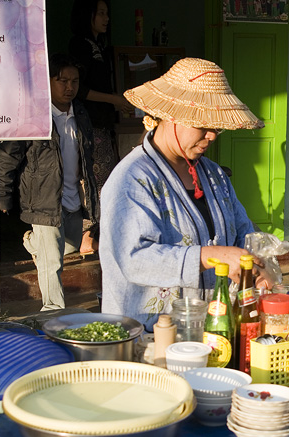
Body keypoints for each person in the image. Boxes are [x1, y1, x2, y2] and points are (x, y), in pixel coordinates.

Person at [99, 57, 269, 330]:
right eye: (203, 125)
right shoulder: (131, 179)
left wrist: (259, 267)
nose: (212, 136)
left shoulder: (213, 176)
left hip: (212, 327)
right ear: (171, 116)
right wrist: (210, 255)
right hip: (150, 336)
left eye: (218, 127)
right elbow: (134, 259)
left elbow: (242, 232)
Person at [0, 54, 99, 311]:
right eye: (61, 80)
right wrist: (3, 193)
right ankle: (53, 312)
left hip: (72, 197)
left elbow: (87, 157)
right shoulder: (34, 117)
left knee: (71, 246)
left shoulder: (81, 115)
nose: (69, 87)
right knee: (52, 262)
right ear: (48, 82)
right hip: (43, 197)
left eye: (74, 81)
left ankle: (33, 243)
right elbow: (10, 154)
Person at [69, 0, 134, 254]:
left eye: (108, 13)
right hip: (89, 124)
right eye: (102, 13)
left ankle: (95, 236)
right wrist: (114, 100)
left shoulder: (99, 46)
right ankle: (86, 238)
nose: (107, 18)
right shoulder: (79, 44)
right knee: (92, 178)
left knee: (105, 178)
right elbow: (81, 90)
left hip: (103, 123)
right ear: (89, 15)